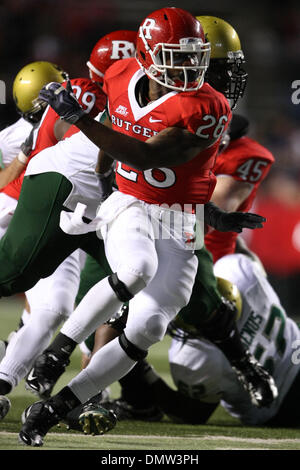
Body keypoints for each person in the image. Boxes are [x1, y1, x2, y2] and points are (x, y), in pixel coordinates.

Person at [19, 8, 270, 447]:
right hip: (132, 203)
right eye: (176, 56)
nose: (188, 66)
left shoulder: (208, 105)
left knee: (150, 326)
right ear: (148, 55)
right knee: (136, 268)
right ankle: (59, 352)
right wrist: (99, 181)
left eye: (194, 56)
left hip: (182, 220)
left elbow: (152, 157)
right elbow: (117, 131)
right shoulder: (120, 74)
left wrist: (79, 119)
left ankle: (54, 408)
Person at [0, 31, 137, 418]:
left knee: (69, 304)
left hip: (91, 211)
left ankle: (33, 379)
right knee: (16, 278)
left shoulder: (125, 99)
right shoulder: (73, 102)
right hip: (55, 203)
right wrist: (21, 161)